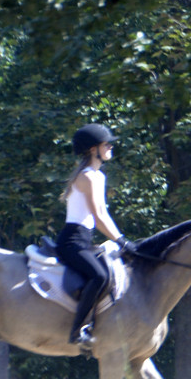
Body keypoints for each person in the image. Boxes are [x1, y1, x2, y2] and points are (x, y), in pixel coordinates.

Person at [57, 123, 135, 348]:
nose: (111, 147)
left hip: (84, 240)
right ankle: (77, 330)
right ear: (93, 150)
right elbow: (98, 216)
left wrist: (122, 239)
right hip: (72, 241)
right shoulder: (88, 177)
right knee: (99, 276)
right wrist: (121, 240)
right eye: (106, 144)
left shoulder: (98, 176)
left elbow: (104, 214)